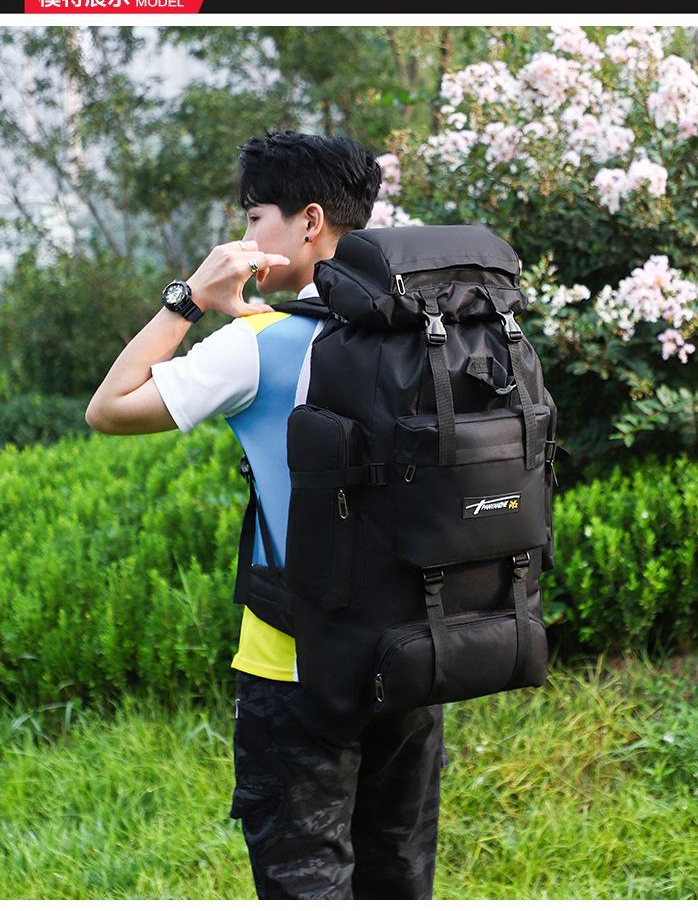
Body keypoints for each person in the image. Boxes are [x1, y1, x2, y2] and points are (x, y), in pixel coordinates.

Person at [85, 130, 448, 900]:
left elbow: (109, 408)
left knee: (303, 883)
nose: (244, 237)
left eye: (254, 219)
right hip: (414, 655)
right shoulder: (427, 331)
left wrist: (189, 297)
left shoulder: (257, 345)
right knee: (398, 878)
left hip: (296, 667)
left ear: (309, 221)